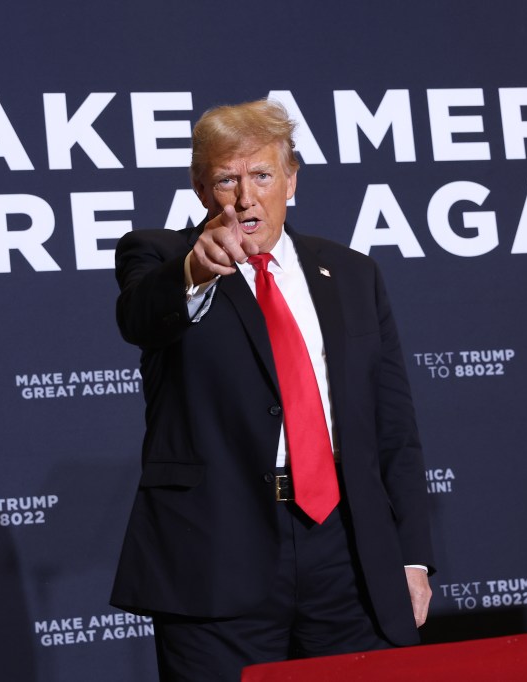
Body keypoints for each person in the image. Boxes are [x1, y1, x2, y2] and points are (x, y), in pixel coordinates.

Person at [110, 98, 434, 681]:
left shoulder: (353, 273)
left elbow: (393, 428)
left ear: (291, 180)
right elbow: (140, 316)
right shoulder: (161, 256)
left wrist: (411, 556)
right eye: (225, 179)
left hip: (348, 555)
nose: (244, 196)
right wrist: (195, 271)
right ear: (201, 189)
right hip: (217, 557)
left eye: (261, 174)